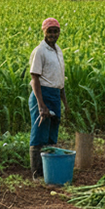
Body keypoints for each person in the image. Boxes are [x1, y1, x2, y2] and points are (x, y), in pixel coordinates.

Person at [28, 17, 70, 179]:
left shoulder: (57, 50)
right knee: (39, 134)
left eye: (56, 31)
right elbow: (34, 79)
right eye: (50, 31)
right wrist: (41, 105)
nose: (53, 34)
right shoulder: (40, 51)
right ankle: (37, 174)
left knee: (52, 135)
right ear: (44, 32)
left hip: (55, 95)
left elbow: (60, 79)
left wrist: (65, 103)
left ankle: (49, 171)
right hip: (42, 94)